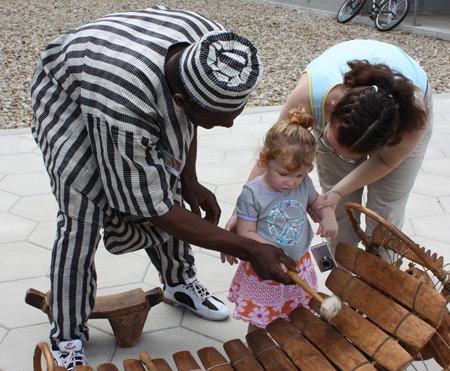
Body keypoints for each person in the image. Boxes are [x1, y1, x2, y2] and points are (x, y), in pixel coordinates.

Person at [30, 6, 299, 370]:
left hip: (123, 79)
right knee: (82, 217)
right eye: (220, 120)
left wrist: (189, 178)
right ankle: (67, 336)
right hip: (70, 93)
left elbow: (186, 125)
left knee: (170, 187)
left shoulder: (212, 51)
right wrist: (251, 249)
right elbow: (152, 207)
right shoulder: (126, 102)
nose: (230, 125)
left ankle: (179, 282)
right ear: (181, 100)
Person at [227, 40, 431, 253]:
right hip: (334, 90)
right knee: (339, 210)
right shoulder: (309, 95)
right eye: (329, 144)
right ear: (332, 110)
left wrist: (338, 191)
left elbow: (386, 161)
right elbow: (273, 154)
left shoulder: (413, 121)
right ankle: (341, 273)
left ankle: (382, 276)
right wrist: (237, 215)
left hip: (404, 112)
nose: (332, 154)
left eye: (349, 157)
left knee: (385, 212)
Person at [223, 108, 338, 332]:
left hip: (299, 262)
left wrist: (328, 215)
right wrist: (274, 252)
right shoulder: (252, 194)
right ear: (265, 160)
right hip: (266, 267)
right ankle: (258, 353)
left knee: (296, 314)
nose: (292, 182)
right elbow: (246, 232)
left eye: (299, 175)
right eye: (284, 174)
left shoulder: (303, 184)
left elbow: (317, 202)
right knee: (261, 321)